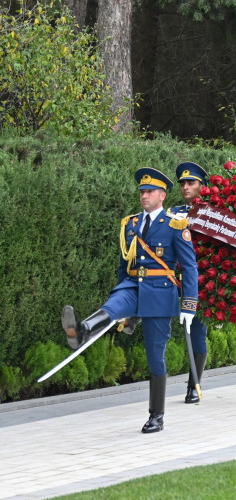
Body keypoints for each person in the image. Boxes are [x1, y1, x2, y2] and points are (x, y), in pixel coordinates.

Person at [61, 168, 198, 434]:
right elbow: (125, 264)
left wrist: (189, 305)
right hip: (133, 285)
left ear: (162, 195)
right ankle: (83, 330)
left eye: (149, 192)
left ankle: (156, 415)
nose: (144, 196)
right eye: (141, 192)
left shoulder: (175, 224)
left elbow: (190, 267)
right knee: (112, 307)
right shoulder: (130, 223)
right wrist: (122, 290)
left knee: (155, 357)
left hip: (160, 291)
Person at [172, 161, 210, 404]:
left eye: (191, 182)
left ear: (202, 186)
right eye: (183, 183)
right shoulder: (172, 212)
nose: (186, 187)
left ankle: (193, 384)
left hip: (200, 280)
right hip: (172, 279)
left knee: (196, 333)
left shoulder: (212, 212)